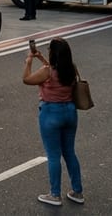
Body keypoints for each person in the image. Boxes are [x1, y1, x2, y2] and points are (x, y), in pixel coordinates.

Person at [23, 37, 85, 206]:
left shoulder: (47, 71)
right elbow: (54, 69)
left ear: (53, 53)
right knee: (69, 152)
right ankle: (77, 191)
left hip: (51, 112)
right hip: (70, 112)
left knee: (53, 155)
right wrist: (42, 59)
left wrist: (29, 61)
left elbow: (27, 79)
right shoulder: (71, 68)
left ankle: (55, 194)